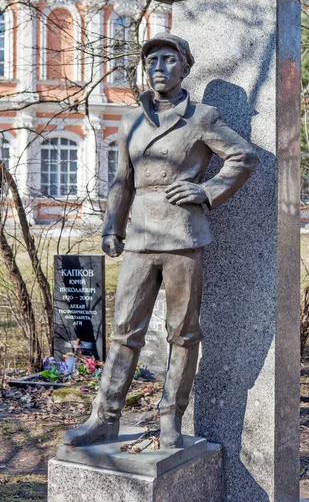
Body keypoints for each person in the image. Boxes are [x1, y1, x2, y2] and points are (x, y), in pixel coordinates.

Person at [64, 33, 258, 448]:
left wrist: (206, 191)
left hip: (183, 236)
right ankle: (105, 417)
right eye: (152, 59)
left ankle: (171, 418)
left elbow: (244, 156)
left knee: (182, 333)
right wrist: (111, 227)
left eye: (169, 60)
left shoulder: (202, 117)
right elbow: (122, 181)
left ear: (185, 68)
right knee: (123, 330)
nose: (158, 67)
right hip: (138, 237)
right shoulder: (130, 121)